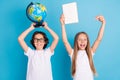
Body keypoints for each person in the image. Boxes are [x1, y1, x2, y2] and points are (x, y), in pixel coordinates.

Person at [60, 14, 106, 80]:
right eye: (80, 40)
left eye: (85, 39)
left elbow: (99, 39)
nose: (82, 42)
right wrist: (62, 25)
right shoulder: (72, 53)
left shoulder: (90, 52)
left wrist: (103, 23)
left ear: (87, 41)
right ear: (76, 41)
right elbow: (65, 41)